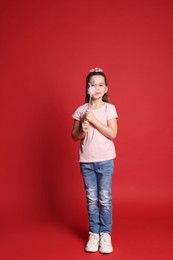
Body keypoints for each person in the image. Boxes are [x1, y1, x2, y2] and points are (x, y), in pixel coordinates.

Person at [71, 67, 118, 254]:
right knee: (91, 199)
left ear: (106, 88)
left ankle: (106, 234)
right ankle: (94, 233)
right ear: (87, 88)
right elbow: (74, 136)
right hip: (87, 161)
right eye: (93, 85)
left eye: (100, 85)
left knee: (105, 198)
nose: (97, 88)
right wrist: (83, 128)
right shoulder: (81, 110)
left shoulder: (110, 108)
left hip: (105, 160)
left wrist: (94, 121)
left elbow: (113, 134)